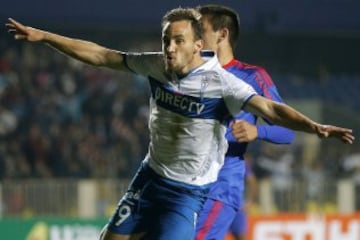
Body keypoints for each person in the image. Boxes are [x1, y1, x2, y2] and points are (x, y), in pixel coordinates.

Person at [6, 7, 354, 240]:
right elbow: (100, 55)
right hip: (150, 176)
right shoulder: (156, 65)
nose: (170, 48)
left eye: (179, 41)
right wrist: (46, 36)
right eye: (166, 41)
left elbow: (273, 110)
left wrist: (315, 127)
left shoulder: (226, 83)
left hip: (190, 192)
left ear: (199, 45)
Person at [194, 5, 294, 240]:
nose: (195, 36)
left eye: (201, 30)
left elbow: (288, 131)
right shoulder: (192, 74)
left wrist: (256, 131)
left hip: (221, 184)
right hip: (185, 181)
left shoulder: (253, 77)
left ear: (223, 34)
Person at [227, 156, 258, 240]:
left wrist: (250, 201)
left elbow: (251, 180)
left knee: (241, 236)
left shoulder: (238, 161)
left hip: (237, 206)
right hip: (219, 204)